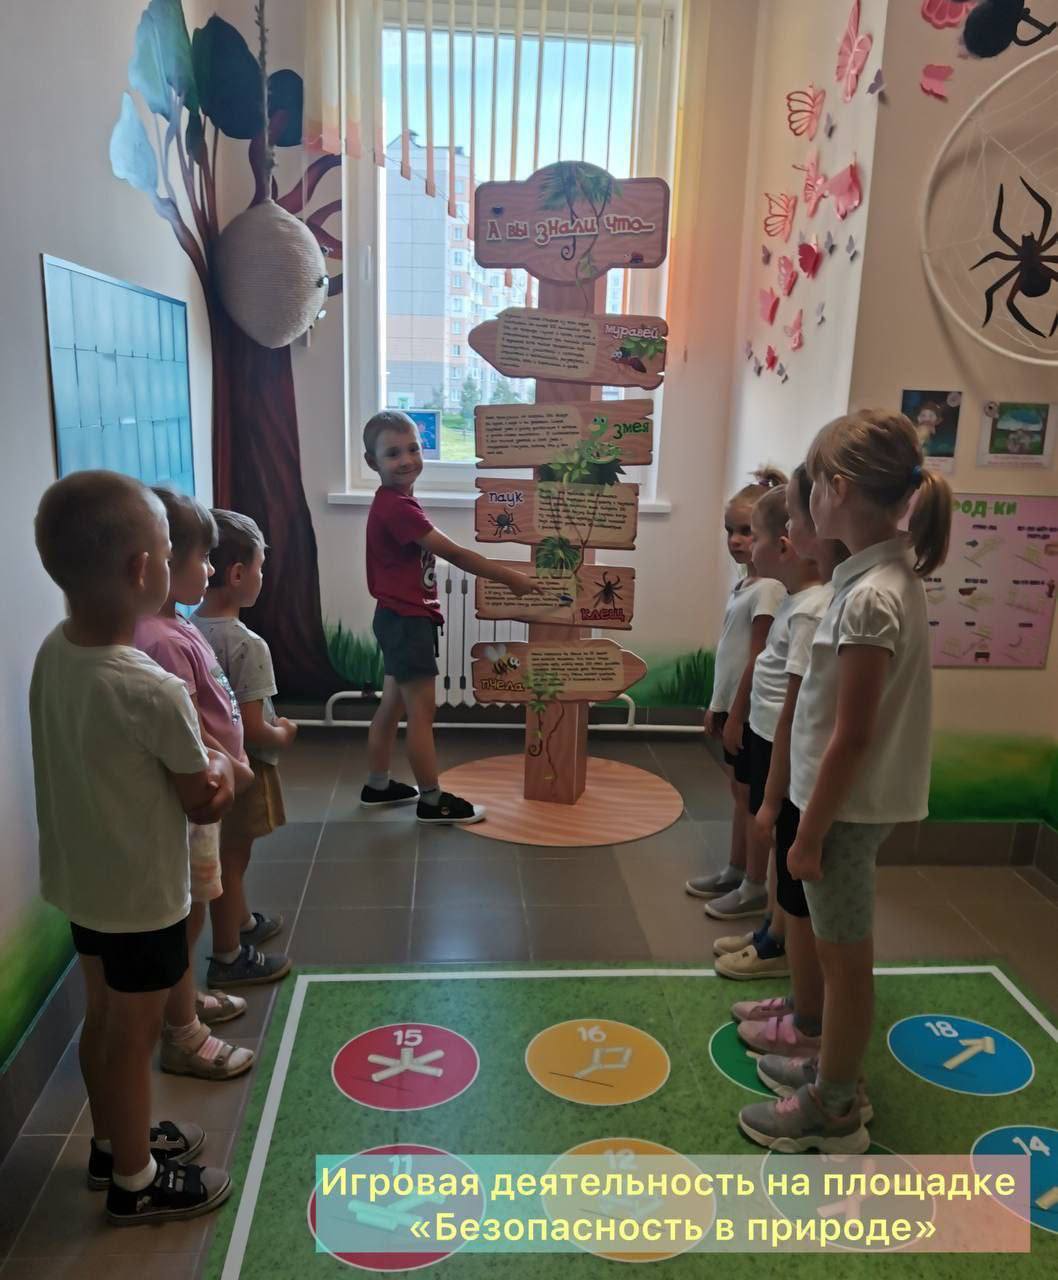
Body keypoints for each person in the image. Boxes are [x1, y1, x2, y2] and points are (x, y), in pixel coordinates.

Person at [739, 411, 951, 1153]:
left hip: (843, 814)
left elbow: (852, 735)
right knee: (838, 954)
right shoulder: (874, 581)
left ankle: (834, 1105)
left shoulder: (869, 596)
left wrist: (811, 834)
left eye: (812, 487)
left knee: (844, 963)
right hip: (840, 808)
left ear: (836, 490)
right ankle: (832, 1072)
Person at [30, 470, 233, 1224]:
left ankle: (114, 1142)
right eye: (167, 551)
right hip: (142, 894)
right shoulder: (151, 688)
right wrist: (223, 770)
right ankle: (136, 1180)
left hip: (82, 881)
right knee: (133, 1033)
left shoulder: (55, 653)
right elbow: (201, 796)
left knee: (102, 1016)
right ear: (144, 569)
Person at [136, 490, 286, 1084]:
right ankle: (182, 1027)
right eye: (202, 558)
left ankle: (186, 998)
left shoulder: (178, 624)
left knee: (198, 904)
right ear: (160, 564)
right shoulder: (161, 638)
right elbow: (186, 726)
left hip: (213, 786)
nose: (209, 568)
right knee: (191, 909)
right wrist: (230, 764)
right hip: (200, 794)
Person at [361, 411, 537, 824]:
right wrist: (511, 578)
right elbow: (454, 554)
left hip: (396, 617)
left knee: (392, 706)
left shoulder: (397, 501)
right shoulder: (397, 508)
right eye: (393, 453)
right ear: (372, 462)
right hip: (407, 621)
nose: (407, 459)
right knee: (422, 714)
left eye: (413, 449)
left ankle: (378, 785)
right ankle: (431, 799)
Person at [714, 477, 831, 983]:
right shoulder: (792, 601)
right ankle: (770, 928)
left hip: (780, 743)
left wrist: (774, 789)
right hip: (765, 735)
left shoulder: (808, 609)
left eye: (753, 535)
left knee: (785, 851)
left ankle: (776, 944)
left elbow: (794, 703)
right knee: (779, 848)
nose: (745, 544)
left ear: (783, 546)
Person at [193, 509, 299, 988]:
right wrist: (285, 734)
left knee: (229, 852)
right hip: (244, 765)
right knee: (233, 858)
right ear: (237, 575)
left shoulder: (188, 629)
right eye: (260, 567)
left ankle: (241, 921)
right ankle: (229, 955)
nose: (261, 576)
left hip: (208, 762)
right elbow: (256, 729)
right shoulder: (248, 644)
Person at [686, 468, 786, 918]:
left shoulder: (770, 589)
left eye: (747, 531)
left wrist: (738, 715)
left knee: (750, 799)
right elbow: (730, 653)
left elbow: (757, 656)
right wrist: (717, 706)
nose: (736, 540)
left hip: (749, 712)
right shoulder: (746, 583)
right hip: (732, 708)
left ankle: (754, 884)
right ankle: (736, 868)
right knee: (739, 794)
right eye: (730, 530)